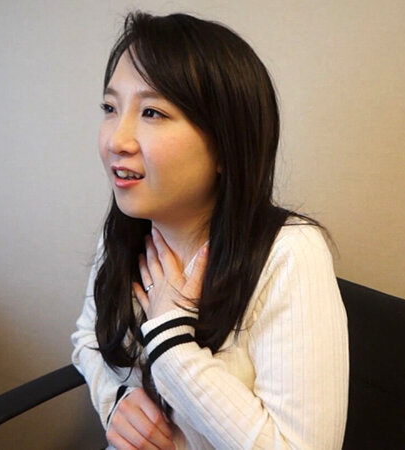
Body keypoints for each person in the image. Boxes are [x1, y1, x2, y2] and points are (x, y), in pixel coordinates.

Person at [71, 11, 348, 449]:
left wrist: (171, 341)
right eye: (110, 108)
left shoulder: (289, 254)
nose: (116, 140)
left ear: (225, 144)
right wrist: (116, 400)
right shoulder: (129, 230)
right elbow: (88, 337)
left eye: (151, 112)